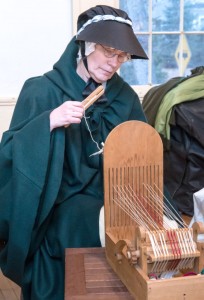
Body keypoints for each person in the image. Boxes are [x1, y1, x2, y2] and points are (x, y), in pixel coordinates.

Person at [0, 5, 148, 300]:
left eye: (122, 56)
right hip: (56, 199)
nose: (113, 63)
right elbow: (9, 153)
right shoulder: (42, 90)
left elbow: (142, 154)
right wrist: (49, 122)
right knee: (76, 220)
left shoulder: (125, 98)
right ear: (85, 45)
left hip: (113, 194)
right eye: (108, 51)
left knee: (136, 227)